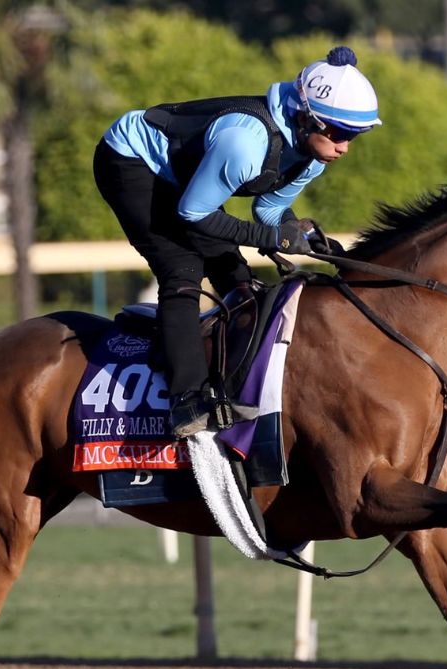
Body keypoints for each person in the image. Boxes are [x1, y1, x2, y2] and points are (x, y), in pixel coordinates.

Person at [93, 46, 381, 438]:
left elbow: (270, 212)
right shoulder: (244, 144)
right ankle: (186, 401)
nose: (344, 147)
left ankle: (234, 378)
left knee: (238, 278)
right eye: (338, 133)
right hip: (130, 160)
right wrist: (272, 237)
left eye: (355, 136)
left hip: (184, 183)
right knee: (182, 268)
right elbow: (194, 215)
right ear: (304, 118)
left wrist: (308, 240)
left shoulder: (312, 155)